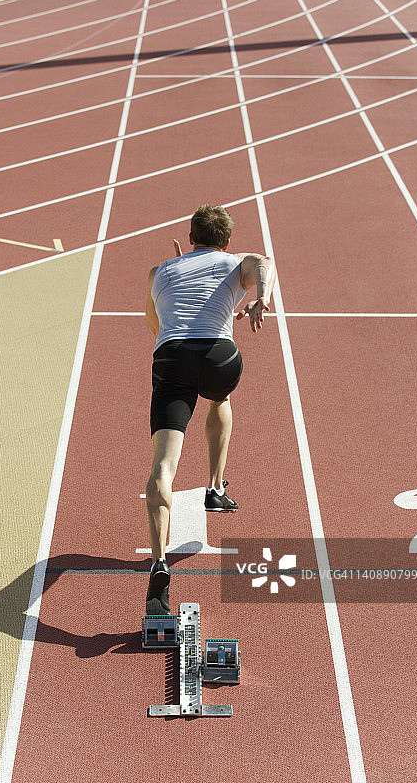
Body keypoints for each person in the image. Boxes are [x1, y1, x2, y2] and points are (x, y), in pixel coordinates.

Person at [144, 204, 276, 614]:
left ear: (191, 237)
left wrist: (179, 278)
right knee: (220, 398)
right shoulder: (236, 263)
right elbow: (264, 262)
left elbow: (157, 327)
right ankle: (215, 489)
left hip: (171, 360)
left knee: (163, 468)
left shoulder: (161, 271)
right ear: (227, 241)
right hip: (219, 358)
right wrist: (259, 300)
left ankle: (159, 566)